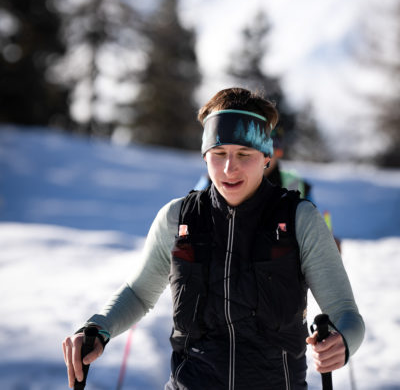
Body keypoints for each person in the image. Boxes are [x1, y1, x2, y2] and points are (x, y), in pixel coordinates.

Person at [62, 87, 364, 390]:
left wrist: (343, 341)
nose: (229, 168)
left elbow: (345, 311)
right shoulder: (178, 218)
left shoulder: (300, 219)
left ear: (266, 157)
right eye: (219, 154)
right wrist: (97, 328)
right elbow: (139, 293)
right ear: (205, 156)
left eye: (244, 154)